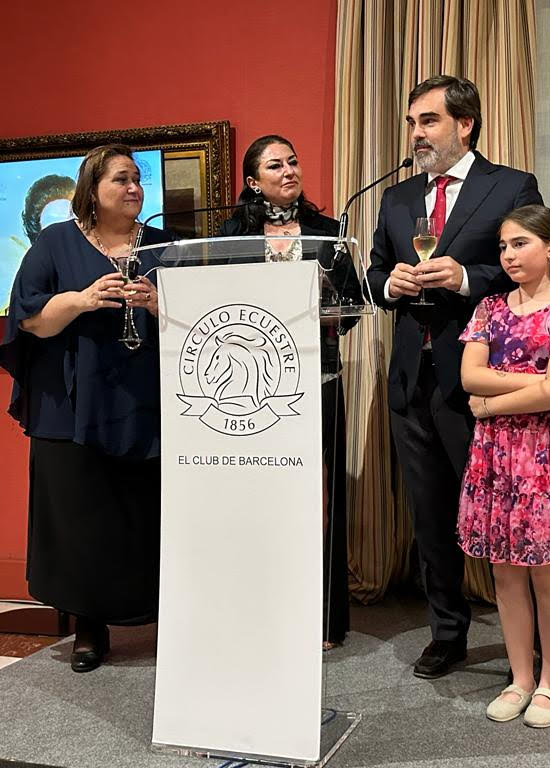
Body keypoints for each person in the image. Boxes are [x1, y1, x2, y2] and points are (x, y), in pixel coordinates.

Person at [366, 75, 543, 679]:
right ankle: (447, 633)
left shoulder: (510, 186)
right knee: (430, 517)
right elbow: (375, 273)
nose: (416, 134)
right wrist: (390, 284)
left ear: (465, 125)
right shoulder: (396, 199)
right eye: (412, 123)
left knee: (500, 513)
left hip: (479, 380)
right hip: (410, 380)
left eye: (429, 121)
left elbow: (528, 268)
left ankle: (528, 643)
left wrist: (464, 278)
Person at [0, 144, 173, 672]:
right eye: (121, 179)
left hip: (147, 402)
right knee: (82, 520)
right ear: (92, 189)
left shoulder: (164, 245)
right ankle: (89, 627)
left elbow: (201, 319)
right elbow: (30, 321)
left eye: (137, 179)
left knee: (145, 514)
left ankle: (161, 616)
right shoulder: (56, 243)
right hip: (71, 406)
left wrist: (161, 304)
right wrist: (82, 299)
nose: (134, 188)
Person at [459, 204, 550, 727]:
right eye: (503, 246)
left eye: (520, 243)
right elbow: (470, 377)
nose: (508, 255)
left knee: (547, 573)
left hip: (542, 455)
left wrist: (492, 404)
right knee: (505, 572)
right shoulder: (488, 309)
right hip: (496, 455)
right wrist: (536, 381)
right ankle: (521, 677)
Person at [219, 135, 363, 648]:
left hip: (318, 377)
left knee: (319, 499)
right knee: (263, 498)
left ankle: (324, 618)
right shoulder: (232, 234)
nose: (289, 171)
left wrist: (328, 311)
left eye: (294, 161)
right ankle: (261, 610)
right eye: (275, 165)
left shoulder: (329, 232)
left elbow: (353, 303)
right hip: (253, 387)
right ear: (253, 181)